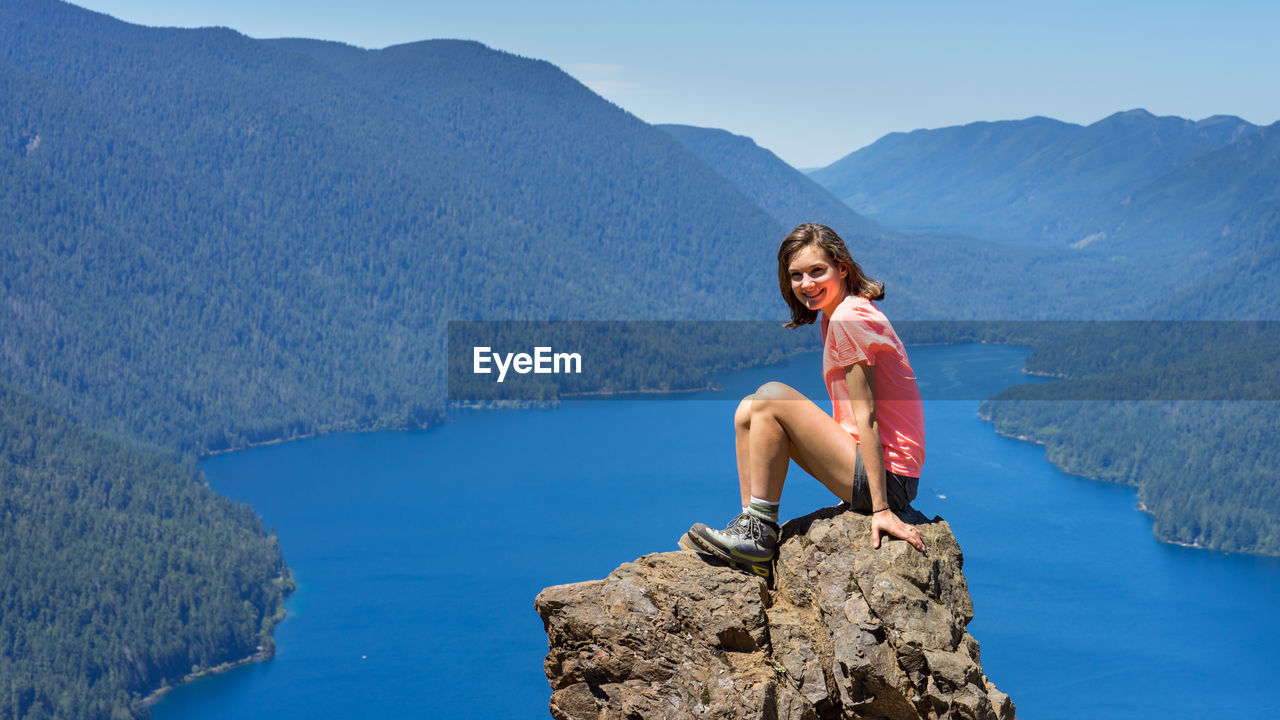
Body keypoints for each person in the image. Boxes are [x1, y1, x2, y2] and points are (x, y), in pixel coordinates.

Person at [680, 223, 927, 580]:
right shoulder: (837, 316)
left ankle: (759, 534)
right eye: (796, 275)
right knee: (748, 410)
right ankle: (751, 526)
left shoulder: (847, 318)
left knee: (770, 398)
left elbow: (868, 417)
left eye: (816, 271)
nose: (806, 284)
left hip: (890, 480)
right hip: (874, 469)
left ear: (842, 268)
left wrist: (882, 510)